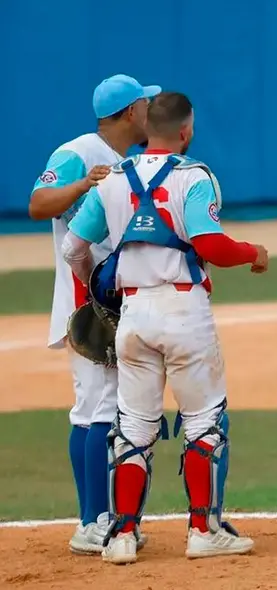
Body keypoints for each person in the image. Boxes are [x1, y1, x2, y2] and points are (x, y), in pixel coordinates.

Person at [61, 91, 268, 564]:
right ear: (185, 130)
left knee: (132, 427)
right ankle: (203, 529)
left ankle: (122, 536)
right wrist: (254, 252)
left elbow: (75, 247)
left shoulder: (112, 180)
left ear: (147, 126)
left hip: (132, 315)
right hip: (183, 310)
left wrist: (99, 292)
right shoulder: (194, 176)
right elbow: (210, 243)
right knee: (204, 422)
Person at [28, 74, 158, 556]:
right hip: (89, 306)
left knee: (102, 409)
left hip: (116, 300)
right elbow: (39, 204)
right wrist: (85, 181)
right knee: (96, 409)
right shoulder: (79, 151)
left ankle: (101, 516)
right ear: (129, 113)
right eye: (145, 105)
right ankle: (93, 520)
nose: (150, 112)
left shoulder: (130, 159)